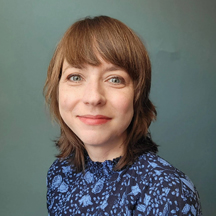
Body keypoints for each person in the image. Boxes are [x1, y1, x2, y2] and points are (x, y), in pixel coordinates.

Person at [44, 16, 202, 215]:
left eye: (115, 79)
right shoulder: (60, 173)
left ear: (138, 95)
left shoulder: (169, 191)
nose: (93, 97)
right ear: (57, 90)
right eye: (75, 77)